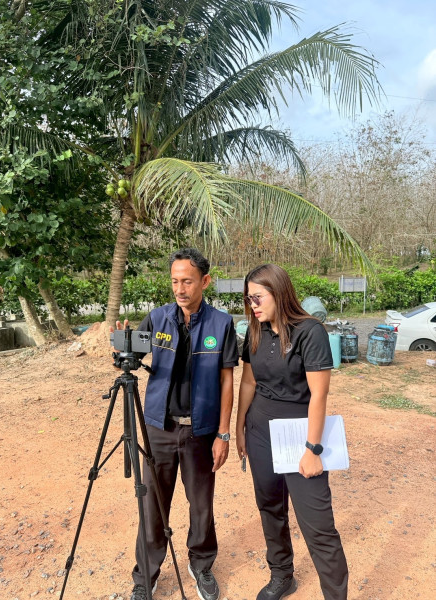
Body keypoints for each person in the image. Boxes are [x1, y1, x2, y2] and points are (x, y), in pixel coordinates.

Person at [113, 248, 239, 600]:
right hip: (160, 428)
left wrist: (223, 433)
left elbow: (227, 380)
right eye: (174, 281)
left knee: (201, 504)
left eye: (187, 281)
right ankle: (145, 576)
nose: (180, 289)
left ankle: (201, 565)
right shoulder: (157, 318)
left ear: (205, 281)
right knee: (152, 504)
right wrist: (121, 350)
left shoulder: (221, 324)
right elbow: (130, 359)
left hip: (201, 431)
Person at [236, 264, 348, 600]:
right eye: (248, 299)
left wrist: (313, 449)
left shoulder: (309, 331)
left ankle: (335, 595)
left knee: (318, 525)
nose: (252, 305)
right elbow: (249, 381)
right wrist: (239, 427)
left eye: (258, 297)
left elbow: (319, 395)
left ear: (278, 292)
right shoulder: (255, 330)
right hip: (260, 431)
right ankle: (282, 575)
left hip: (301, 437)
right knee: (270, 508)